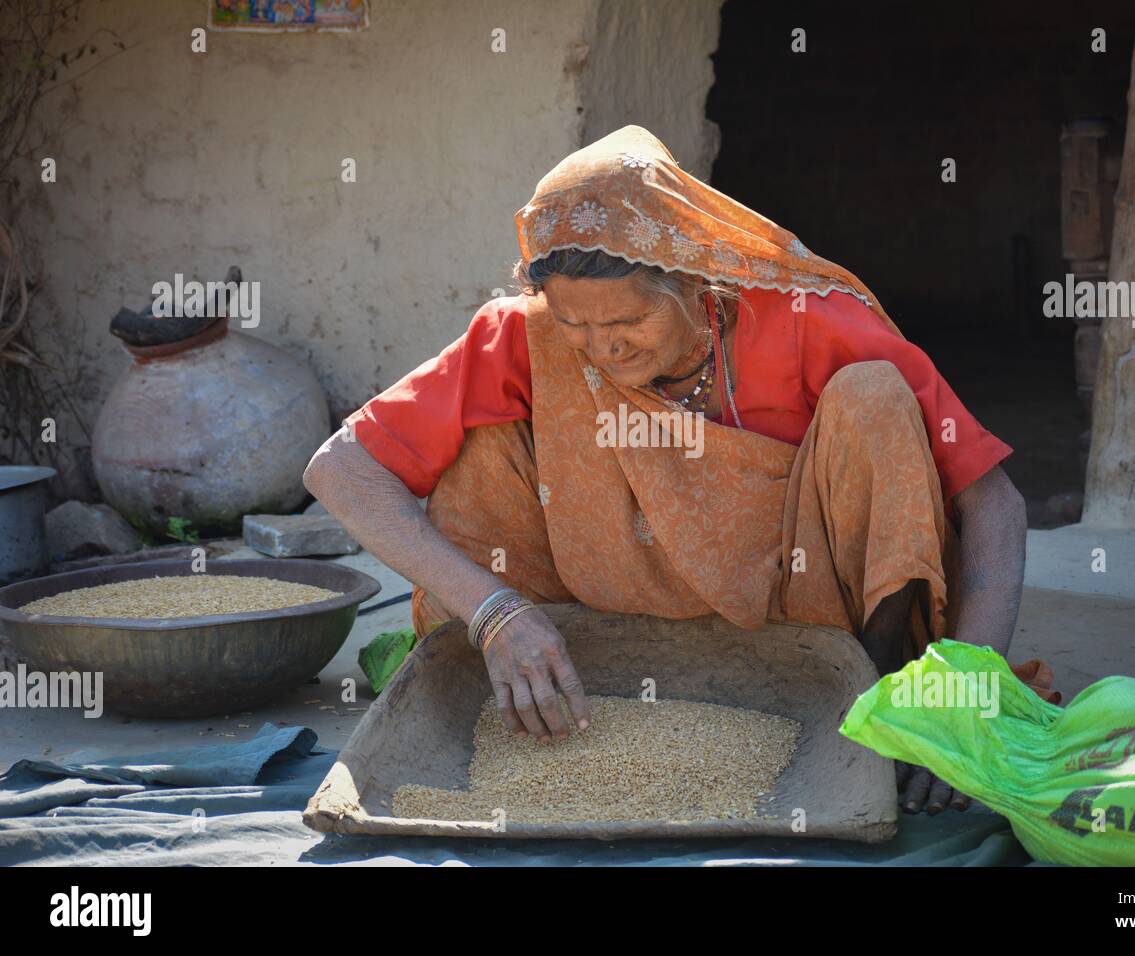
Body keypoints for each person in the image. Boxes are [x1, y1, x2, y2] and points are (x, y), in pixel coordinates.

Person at [304, 125, 1047, 815]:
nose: (604, 348)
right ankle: (524, 692)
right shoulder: (526, 335)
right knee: (480, 443)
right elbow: (341, 468)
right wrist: (495, 611)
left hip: (808, 621)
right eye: (576, 325)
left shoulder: (808, 319)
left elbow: (995, 506)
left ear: (698, 284)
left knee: (875, 397)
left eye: (629, 323)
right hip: (604, 631)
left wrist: (963, 691)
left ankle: (870, 700)